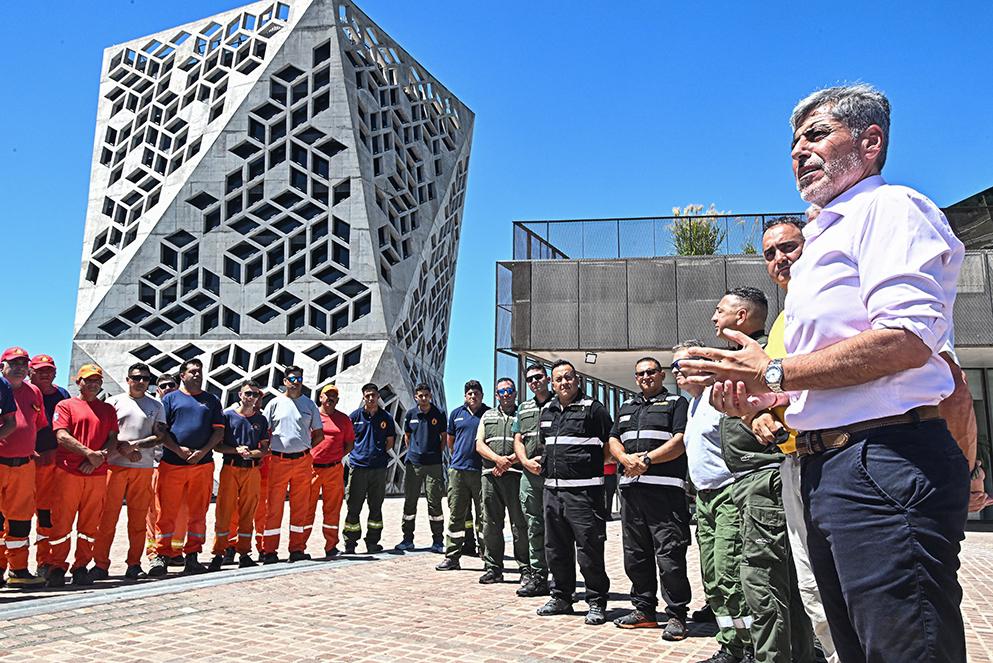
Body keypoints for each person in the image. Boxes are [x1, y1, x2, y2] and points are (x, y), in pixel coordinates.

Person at [679, 84, 969, 662]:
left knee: (904, 649)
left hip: (885, 463)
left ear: (870, 141)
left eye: (815, 135)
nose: (798, 152)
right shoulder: (824, 239)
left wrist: (776, 369)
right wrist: (758, 400)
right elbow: (823, 383)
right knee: (852, 648)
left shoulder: (890, 209)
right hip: (829, 467)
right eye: (793, 142)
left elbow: (909, 341)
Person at [711, 288, 815, 663]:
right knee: (786, 580)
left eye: (720, 310)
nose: (713, 317)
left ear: (742, 316)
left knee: (763, 579)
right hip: (752, 482)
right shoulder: (744, 360)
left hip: (766, 477)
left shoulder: (763, 358)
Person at [673, 342, 751, 663]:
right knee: (713, 578)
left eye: (682, 364)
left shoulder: (720, 397)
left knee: (730, 573)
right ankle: (729, 645)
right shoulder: (693, 404)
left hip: (727, 495)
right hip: (703, 501)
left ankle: (749, 647)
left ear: (703, 364)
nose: (676, 371)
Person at [607, 357, 691, 641]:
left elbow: (680, 441)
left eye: (651, 372)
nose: (646, 377)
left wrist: (646, 460)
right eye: (640, 373)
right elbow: (613, 439)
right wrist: (623, 457)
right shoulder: (627, 407)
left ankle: (677, 615)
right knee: (635, 554)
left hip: (665, 493)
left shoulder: (677, 404)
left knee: (670, 555)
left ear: (661, 374)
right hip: (632, 492)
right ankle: (644, 610)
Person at [535, 359, 612, 627]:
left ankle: (596, 601)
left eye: (568, 377)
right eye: (558, 379)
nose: (564, 383)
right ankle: (561, 597)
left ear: (577, 380)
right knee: (555, 549)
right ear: (552, 384)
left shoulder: (594, 409)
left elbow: (610, 445)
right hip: (552, 493)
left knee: (589, 549)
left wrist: (586, 469)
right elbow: (546, 447)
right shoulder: (547, 410)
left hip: (584, 494)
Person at [92, 363, 166, 581]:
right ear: (128, 379)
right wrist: (123, 449)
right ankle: (100, 564)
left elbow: (159, 435)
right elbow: (106, 433)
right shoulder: (114, 402)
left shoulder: (156, 405)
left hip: (142, 468)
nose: (141, 381)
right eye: (136, 377)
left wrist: (136, 446)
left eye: (145, 378)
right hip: (114, 468)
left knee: (138, 520)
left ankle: (134, 563)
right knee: (107, 518)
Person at [150, 359, 224, 576]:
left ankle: (192, 556)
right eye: (192, 372)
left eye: (200, 372)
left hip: (202, 464)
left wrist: (202, 451)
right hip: (173, 464)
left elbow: (218, 431)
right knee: (167, 512)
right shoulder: (170, 399)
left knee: (198, 513)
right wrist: (178, 450)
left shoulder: (211, 400)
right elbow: (161, 432)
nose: (197, 375)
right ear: (182, 375)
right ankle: (161, 556)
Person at [48, 364, 119, 587]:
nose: (93, 384)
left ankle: (81, 566)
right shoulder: (66, 405)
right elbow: (61, 436)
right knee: (62, 522)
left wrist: (99, 456)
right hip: (69, 472)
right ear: (78, 382)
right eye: (88, 380)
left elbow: (113, 437)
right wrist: (89, 454)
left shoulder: (107, 409)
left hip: (97, 474)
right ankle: (57, 567)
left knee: (90, 525)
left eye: (97, 380)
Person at [261, 366, 323, 564]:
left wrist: (305, 448)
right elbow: (264, 431)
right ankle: (269, 550)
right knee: (274, 506)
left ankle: (297, 549)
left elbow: (318, 433)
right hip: (278, 461)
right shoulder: (274, 403)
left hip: (303, 461)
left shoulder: (309, 404)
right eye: (292, 378)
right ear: (285, 381)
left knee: (300, 507)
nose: (295, 382)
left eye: (299, 378)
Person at [210, 380, 269, 570]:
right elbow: (217, 445)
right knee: (224, 511)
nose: (251, 398)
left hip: (252, 470)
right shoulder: (228, 417)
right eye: (247, 394)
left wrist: (253, 453)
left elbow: (265, 448)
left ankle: (244, 552)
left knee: (248, 512)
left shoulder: (260, 420)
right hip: (231, 467)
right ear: (240, 395)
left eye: (255, 394)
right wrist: (235, 450)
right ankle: (219, 552)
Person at [0, 347, 46, 587]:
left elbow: (36, 424)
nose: (19, 367)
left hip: (24, 465)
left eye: (23, 363)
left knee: (20, 520)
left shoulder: (34, 392)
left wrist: (25, 445)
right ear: (2, 367)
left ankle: (18, 570)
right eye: (13, 363)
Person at [475, 377, 528, 585]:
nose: (506, 395)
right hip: (490, 477)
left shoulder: (522, 415)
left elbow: (529, 443)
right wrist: (497, 460)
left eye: (509, 391)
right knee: (491, 524)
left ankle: (525, 568)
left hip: (515, 476)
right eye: (501, 392)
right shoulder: (487, 416)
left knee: (520, 524)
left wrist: (509, 462)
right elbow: (479, 444)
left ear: (515, 393)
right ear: (496, 395)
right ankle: (493, 568)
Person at [435, 380, 488, 571]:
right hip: (458, 471)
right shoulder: (456, 414)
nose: (473, 396)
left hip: (481, 471)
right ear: (465, 396)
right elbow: (451, 442)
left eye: (476, 393)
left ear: (482, 395)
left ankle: (488, 557)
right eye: (469, 394)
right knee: (456, 514)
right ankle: (452, 556)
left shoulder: (488, 414)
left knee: (484, 516)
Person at [27, 353, 69, 576]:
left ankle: (45, 563)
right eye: (39, 370)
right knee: (12, 516)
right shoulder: (18, 393)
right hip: (23, 465)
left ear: (55, 372)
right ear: (30, 372)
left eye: (48, 370)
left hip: (53, 466)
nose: (45, 373)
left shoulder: (63, 395)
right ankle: (8, 565)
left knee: (47, 517)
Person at [511, 364, 552, 597]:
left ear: (546, 378)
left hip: (553, 473)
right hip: (529, 474)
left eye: (538, 377)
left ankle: (560, 577)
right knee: (534, 525)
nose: (534, 382)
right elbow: (517, 438)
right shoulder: (523, 408)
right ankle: (538, 576)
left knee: (558, 527)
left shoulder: (558, 404)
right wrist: (525, 461)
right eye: (530, 379)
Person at [343, 383, 396, 554]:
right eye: (368, 395)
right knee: (353, 506)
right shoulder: (354, 417)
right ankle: (350, 542)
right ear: (363, 397)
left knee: (376, 507)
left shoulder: (386, 418)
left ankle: (373, 541)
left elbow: (390, 442)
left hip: (378, 469)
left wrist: (378, 453)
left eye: (374, 395)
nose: (371, 398)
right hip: (358, 468)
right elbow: (349, 441)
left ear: (378, 396)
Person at [395, 383, 445, 554]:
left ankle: (438, 541)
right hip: (414, 464)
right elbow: (407, 437)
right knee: (410, 502)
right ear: (416, 397)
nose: (423, 398)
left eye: (426, 395)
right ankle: (407, 539)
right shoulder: (410, 414)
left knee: (434, 503)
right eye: (420, 395)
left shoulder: (439, 414)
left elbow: (443, 438)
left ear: (430, 396)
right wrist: (415, 452)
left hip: (433, 464)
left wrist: (434, 452)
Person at [307, 384, 353, 559]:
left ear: (338, 400)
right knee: (306, 509)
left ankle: (331, 546)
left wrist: (337, 456)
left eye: (334, 396)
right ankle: (299, 547)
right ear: (320, 397)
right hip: (312, 469)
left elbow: (349, 443)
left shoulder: (344, 419)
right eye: (327, 395)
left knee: (333, 510)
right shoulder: (312, 416)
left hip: (334, 469)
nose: (330, 398)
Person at [145, 373, 183, 564]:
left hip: (178, 467)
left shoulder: (181, 408)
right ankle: (154, 551)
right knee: (154, 512)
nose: (168, 388)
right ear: (158, 390)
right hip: (156, 465)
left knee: (178, 511)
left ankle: (175, 551)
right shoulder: (153, 409)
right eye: (163, 385)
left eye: (171, 384)